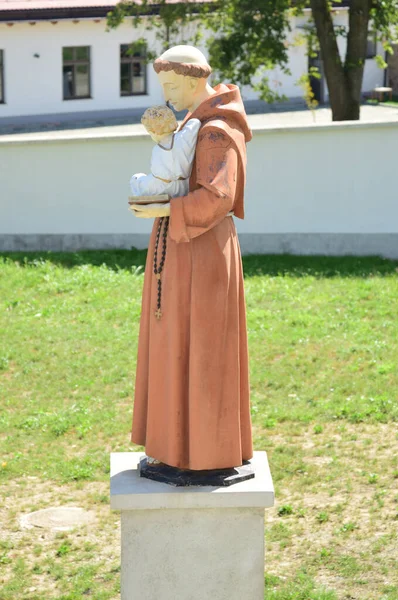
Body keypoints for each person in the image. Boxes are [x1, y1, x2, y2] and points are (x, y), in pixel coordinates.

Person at [130, 45, 253, 472]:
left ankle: (205, 458)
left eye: (171, 86)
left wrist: (162, 208)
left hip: (202, 252)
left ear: (195, 80)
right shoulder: (194, 124)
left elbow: (218, 196)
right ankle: (179, 451)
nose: (166, 96)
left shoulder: (216, 130)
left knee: (202, 348)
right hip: (184, 248)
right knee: (178, 345)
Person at [130, 105, 201, 199]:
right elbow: (195, 122)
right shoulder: (183, 138)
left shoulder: (157, 149)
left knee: (136, 179)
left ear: (153, 131)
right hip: (184, 185)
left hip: (163, 187)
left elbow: (158, 175)